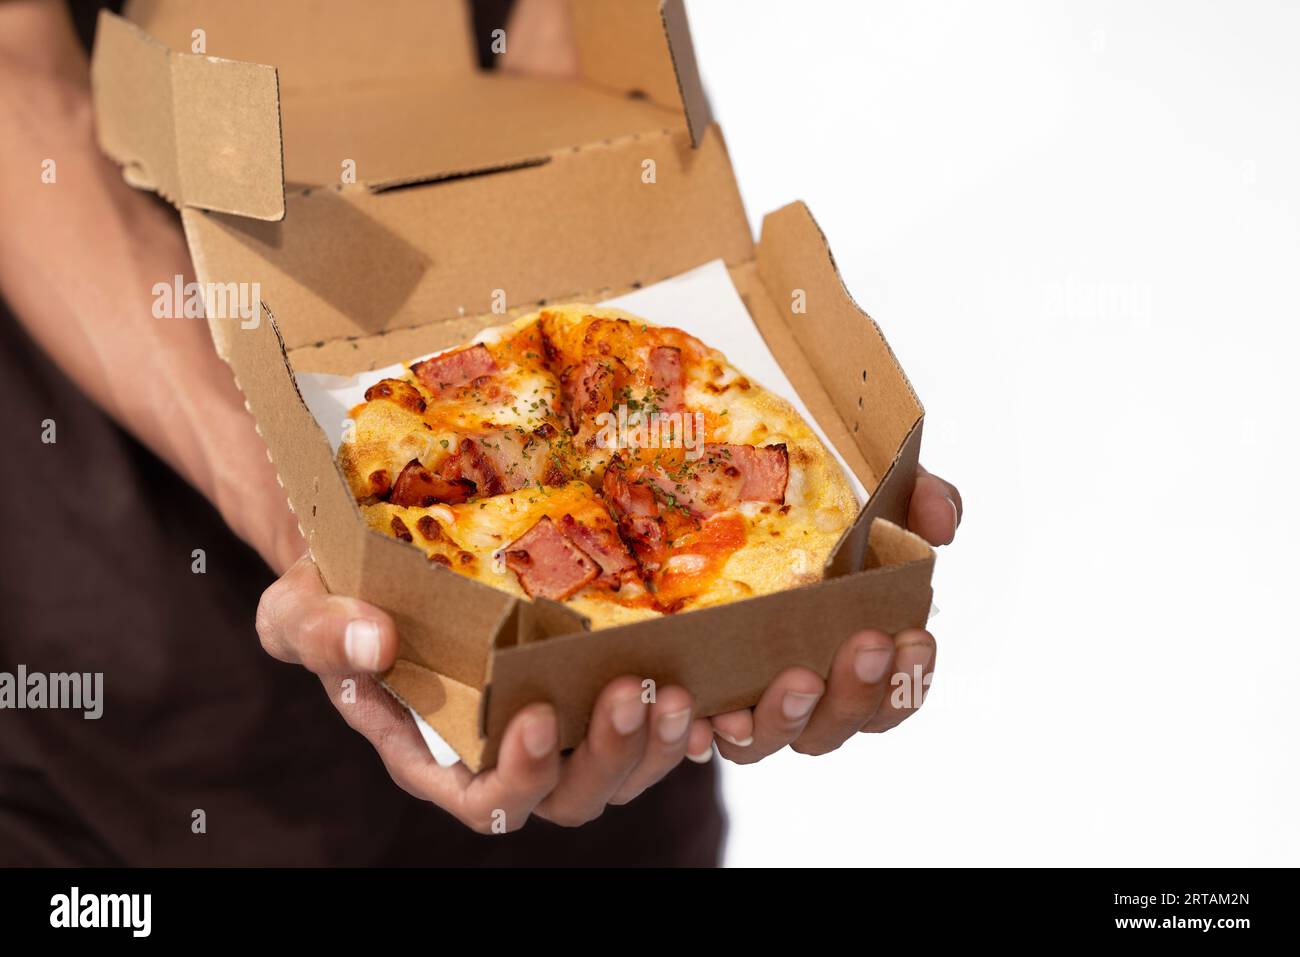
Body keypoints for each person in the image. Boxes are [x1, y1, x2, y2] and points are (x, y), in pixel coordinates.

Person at [0, 0, 962, 866]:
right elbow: (16, 74)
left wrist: (570, 207)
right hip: (144, 685)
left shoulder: (625, 395)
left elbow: (573, 33)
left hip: (602, 749)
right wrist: (304, 518)